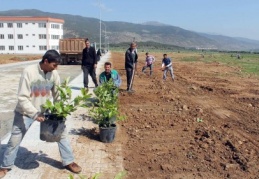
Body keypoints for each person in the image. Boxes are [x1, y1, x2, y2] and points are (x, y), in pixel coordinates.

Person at [0, 50, 81, 178]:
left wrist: (61, 110)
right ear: (46, 61)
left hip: (45, 111)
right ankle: (5, 166)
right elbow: (22, 98)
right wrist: (34, 114)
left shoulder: (53, 73)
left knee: (61, 133)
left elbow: (58, 93)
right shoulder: (29, 72)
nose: (56, 68)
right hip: (25, 112)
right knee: (15, 139)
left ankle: (68, 161)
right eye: (54, 65)